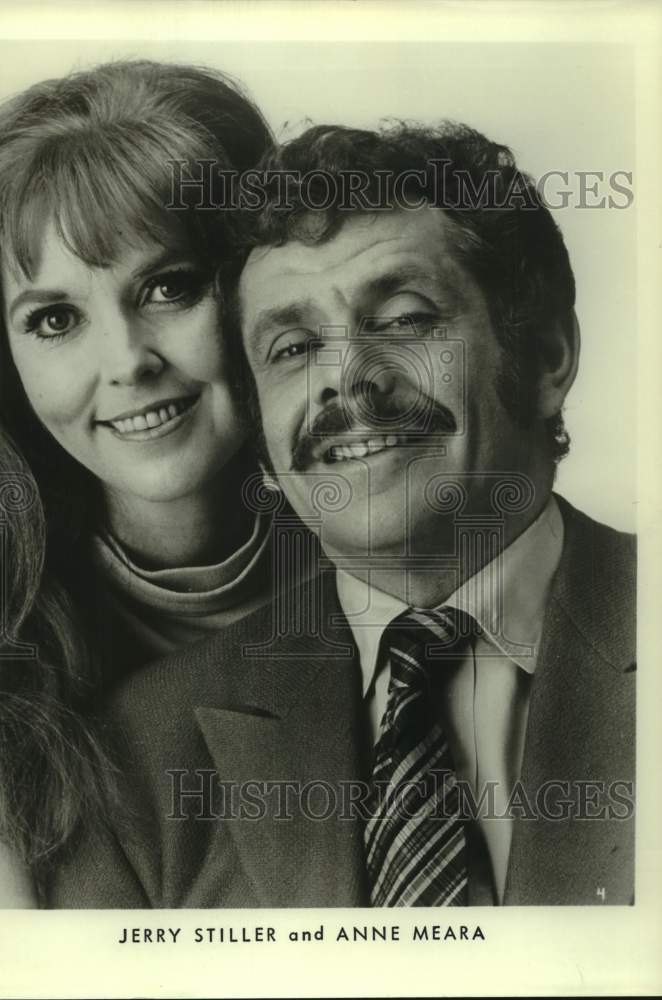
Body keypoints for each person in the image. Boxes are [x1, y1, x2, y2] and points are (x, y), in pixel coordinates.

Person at [49, 121, 636, 907]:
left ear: (548, 358)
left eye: (402, 320)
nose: (346, 381)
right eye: (291, 348)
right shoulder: (136, 760)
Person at [0, 59, 278, 907]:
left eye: (169, 286)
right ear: (1, 363)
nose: (126, 362)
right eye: (55, 319)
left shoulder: (395, 551)